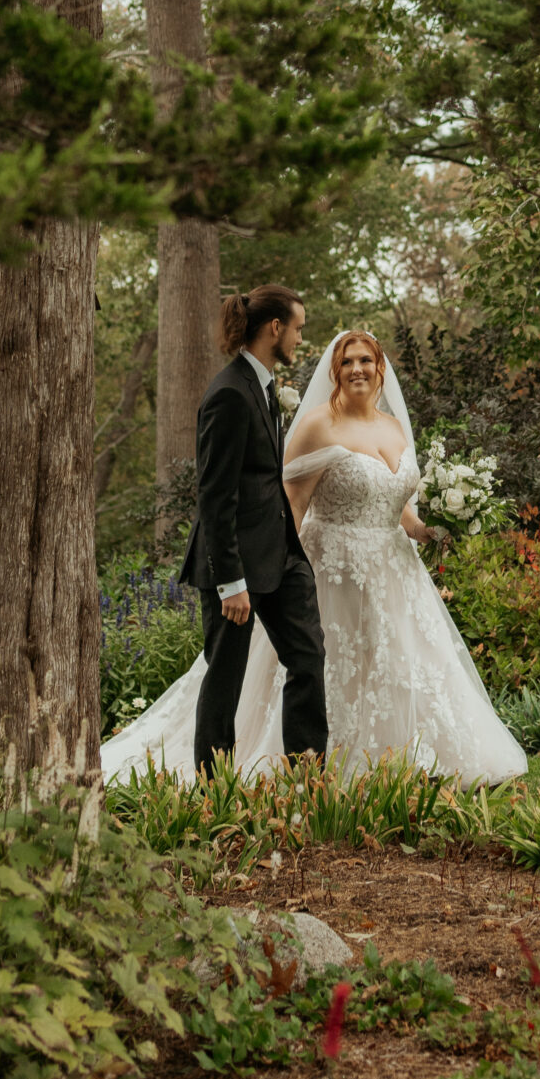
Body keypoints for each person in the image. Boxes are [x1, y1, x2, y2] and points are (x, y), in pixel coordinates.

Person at [102, 322, 525, 786]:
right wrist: (277, 571)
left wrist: (424, 529)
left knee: (397, 662)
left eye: (366, 360)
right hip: (332, 567)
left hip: (393, 569)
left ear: (380, 368)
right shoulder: (317, 426)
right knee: (319, 662)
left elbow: (394, 499)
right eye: (347, 361)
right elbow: (290, 506)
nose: (357, 369)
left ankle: (400, 756)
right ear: (335, 370)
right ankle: (304, 765)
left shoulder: (394, 427)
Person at [177, 283, 329, 776]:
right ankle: (213, 793)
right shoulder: (227, 393)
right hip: (236, 568)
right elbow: (215, 496)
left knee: (307, 658)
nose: (301, 340)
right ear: (275, 328)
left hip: (281, 557)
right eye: (299, 330)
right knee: (225, 680)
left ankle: (308, 776)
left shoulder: (262, 387)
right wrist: (231, 582)